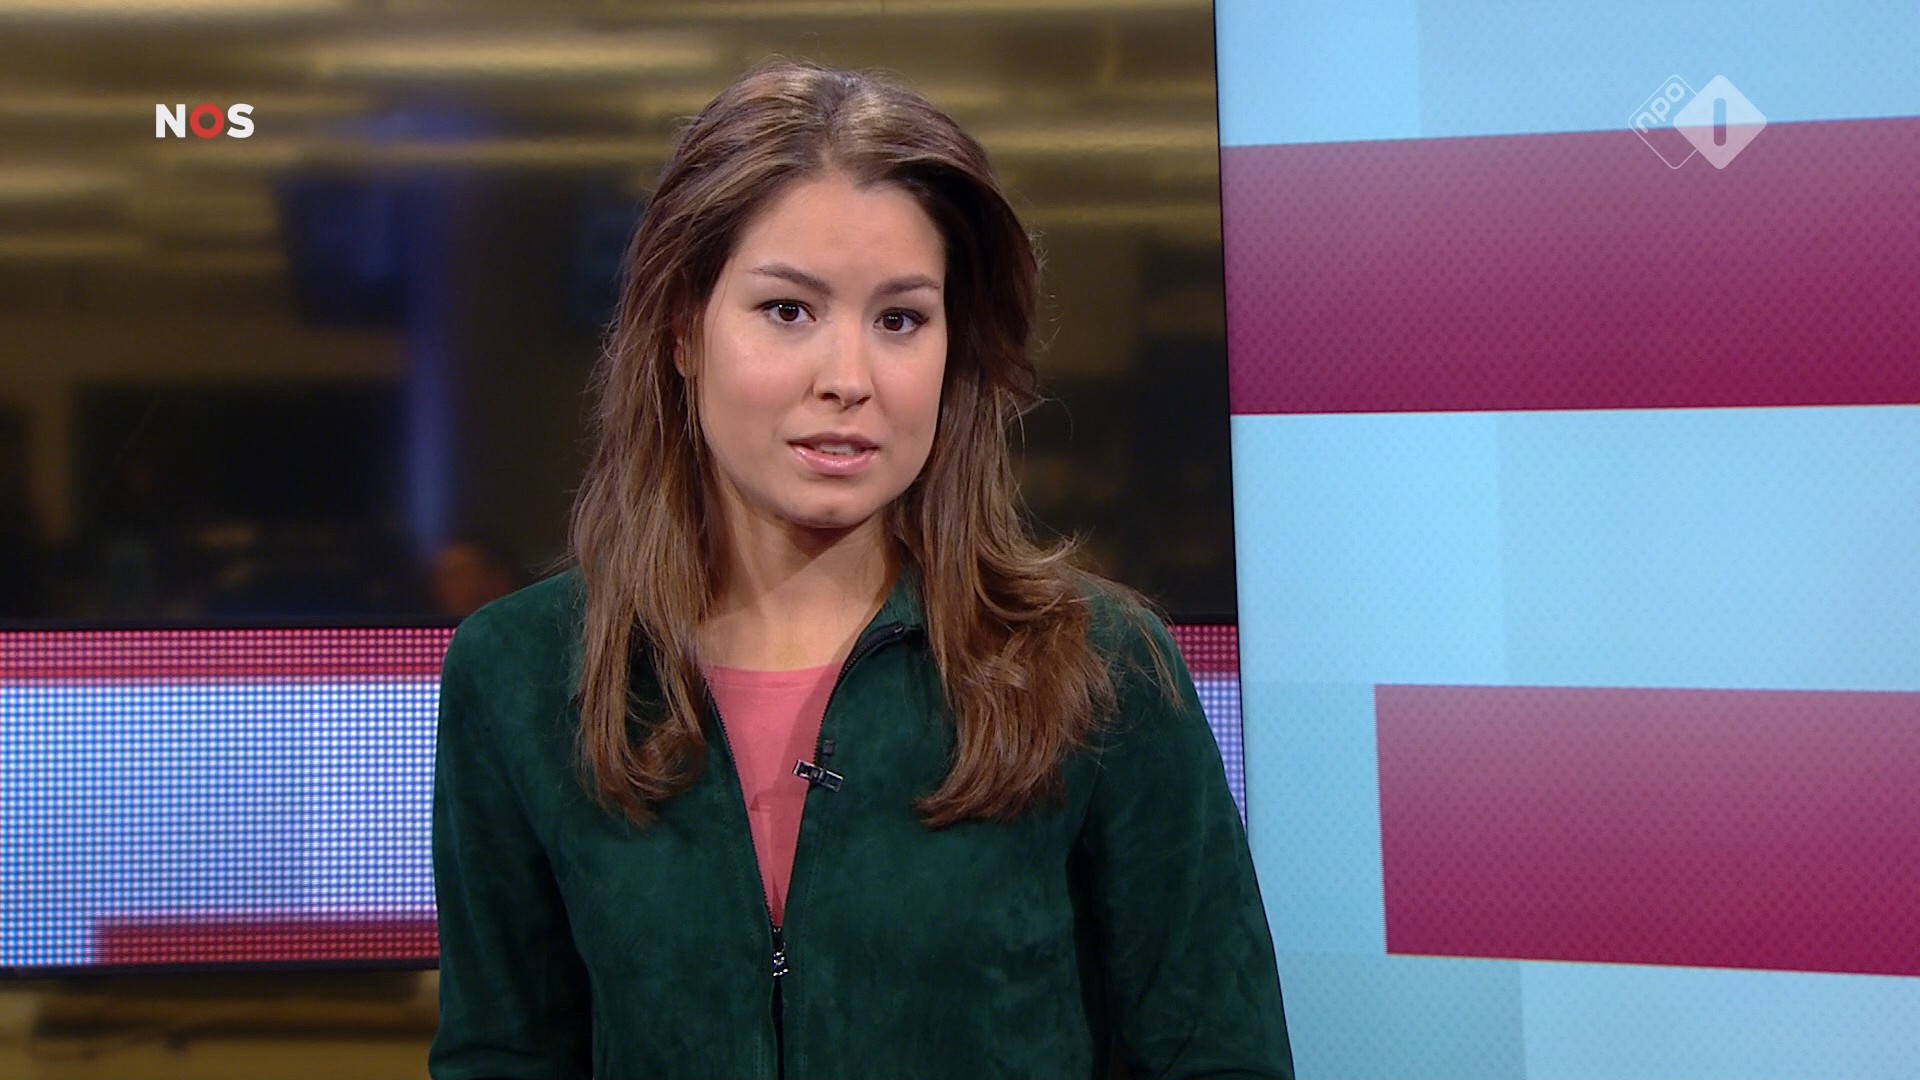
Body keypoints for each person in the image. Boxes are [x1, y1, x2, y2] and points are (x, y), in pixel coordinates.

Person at [430, 60, 1292, 1080]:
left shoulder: (1099, 664)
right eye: (788, 310)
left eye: (900, 320)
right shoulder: (521, 672)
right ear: (682, 330)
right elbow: (505, 1053)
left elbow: (1216, 1053)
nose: (848, 379)